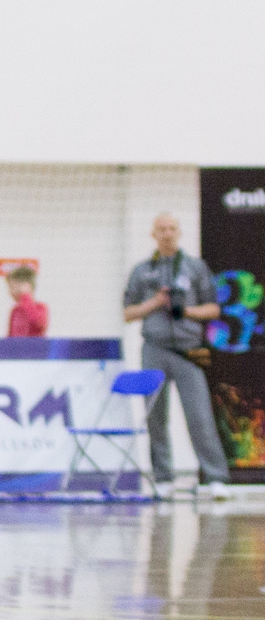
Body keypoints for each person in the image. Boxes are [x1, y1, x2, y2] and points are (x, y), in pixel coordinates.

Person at [122, 213, 230, 500]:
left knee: (199, 416)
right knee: (155, 417)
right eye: (162, 229)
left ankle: (215, 477)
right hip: (154, 349)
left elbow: (213, 309)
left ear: (179, 232)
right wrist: (155, 303)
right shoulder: (142, 270)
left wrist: (185, 311)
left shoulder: (195, 267)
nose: (167, 233)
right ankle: (163, 478)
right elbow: (128, 313)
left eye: (172, 228)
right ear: (153, 234)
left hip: (188, 351)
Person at [5, 266, 49, 336]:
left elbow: (38, 323)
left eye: (12, 287)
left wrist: (25, 296)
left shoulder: (41, 307)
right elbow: (10, 336)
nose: (10, 291)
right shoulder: (15, 311)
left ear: (26, 286)